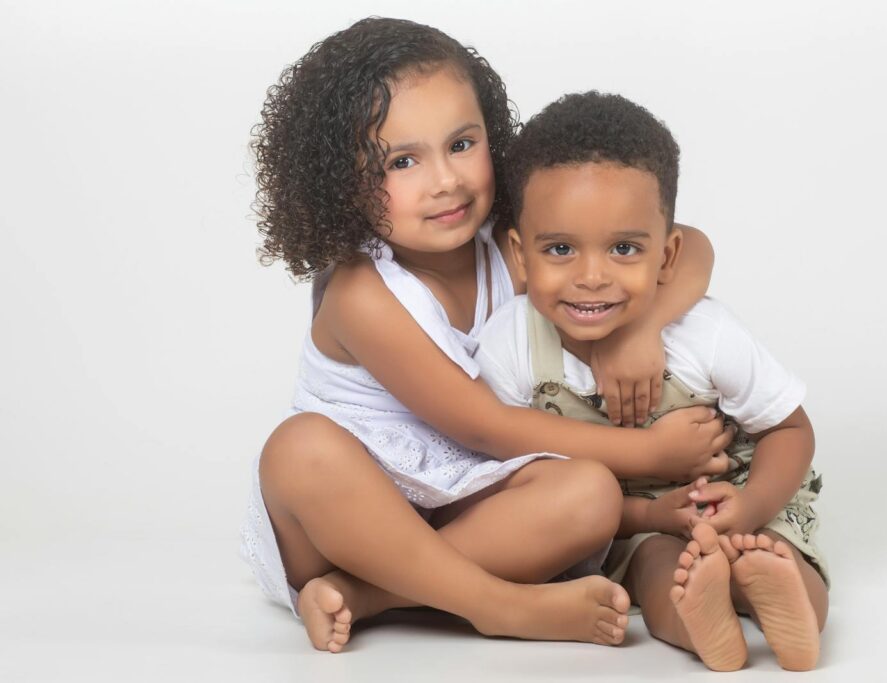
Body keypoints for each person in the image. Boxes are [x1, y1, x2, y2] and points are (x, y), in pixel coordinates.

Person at [241, 18, 731, 653]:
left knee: (590, 494)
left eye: (462, 144)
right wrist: (648, 455)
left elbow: (690, 247)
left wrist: (644, 326)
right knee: (299, 449)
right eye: (403, 161)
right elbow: (483, 426)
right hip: (343, 519)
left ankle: (363, 596)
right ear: (342, 182)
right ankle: (496, 604)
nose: (445, 180)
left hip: (465, 503)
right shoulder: (363, 293)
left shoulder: (511, 242)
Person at [476, 91, 829, 671]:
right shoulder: (510, 344)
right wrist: (646, 517)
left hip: (732, 493)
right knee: (659, 570)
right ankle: (704, 624)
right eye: (560, 249)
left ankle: (790, 608)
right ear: (519, 255)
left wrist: (750, 505)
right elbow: (513, 475)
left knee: (773, 554)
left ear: (667, 257)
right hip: (622, 521)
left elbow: (789, 428)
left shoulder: (704, 333)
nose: (591, 277)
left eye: (623, 249)